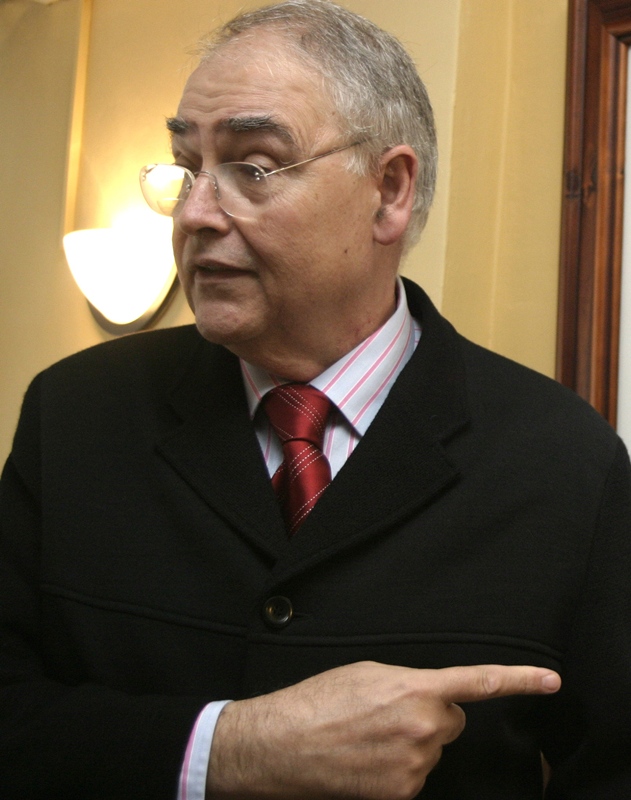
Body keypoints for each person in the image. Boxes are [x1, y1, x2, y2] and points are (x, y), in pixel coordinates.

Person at [0, 1, 629, 798]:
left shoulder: (564, 463)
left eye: (253, 168)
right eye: (186, 167)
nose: (195, 213)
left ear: (388, 191)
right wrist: (227, 749)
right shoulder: (74, 415)